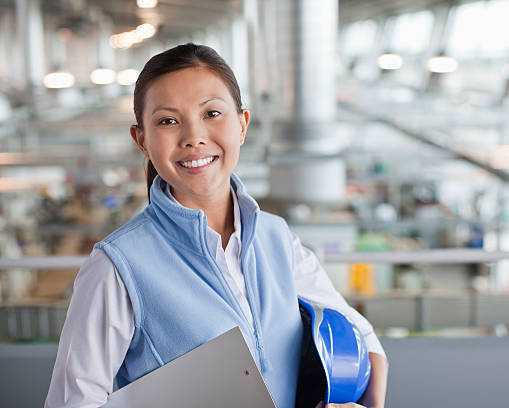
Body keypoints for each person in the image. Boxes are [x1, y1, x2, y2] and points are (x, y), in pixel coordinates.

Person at [45, 43, 388, 408]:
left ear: (242, 125)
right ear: (141, 139)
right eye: (167, 120)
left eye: (211, 113)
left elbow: (363, 341)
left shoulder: (277, 240)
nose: (194, 136)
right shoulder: (117, 268)